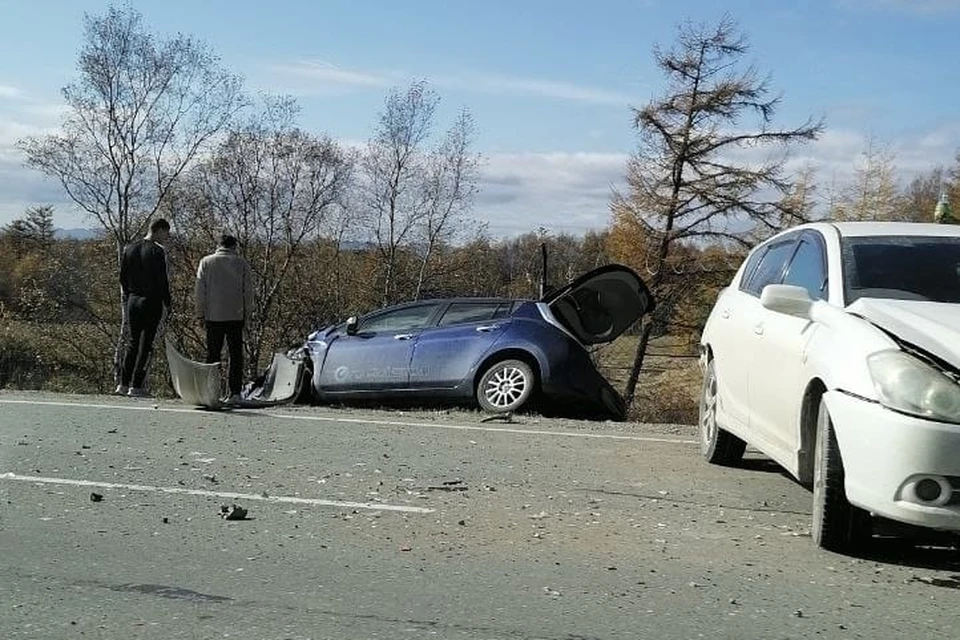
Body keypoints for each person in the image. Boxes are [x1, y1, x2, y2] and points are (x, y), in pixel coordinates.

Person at [195, 234, 254, 404]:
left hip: (213, 315)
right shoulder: (241, 264)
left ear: (218, 245)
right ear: (234, 246)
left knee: (213, 354)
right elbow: (248, 292)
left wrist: (200, 313)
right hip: (236, 315)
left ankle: (211, 391)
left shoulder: (206, 262)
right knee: (235, 354)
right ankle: (235, 393)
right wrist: (247, 314)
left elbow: (200, 291)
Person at [117, 218, 171, 397]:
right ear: (159, 230)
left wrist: (128, 295)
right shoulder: (157, 251)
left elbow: (123, 277)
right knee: (146, 344)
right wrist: (167, 303)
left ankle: (123, 384)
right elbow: (162, 280)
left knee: (132, 342)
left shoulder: (130, 248)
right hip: (151, 300)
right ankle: (137, 385)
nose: (166, 237)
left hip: (133, 299)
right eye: (166, 233)